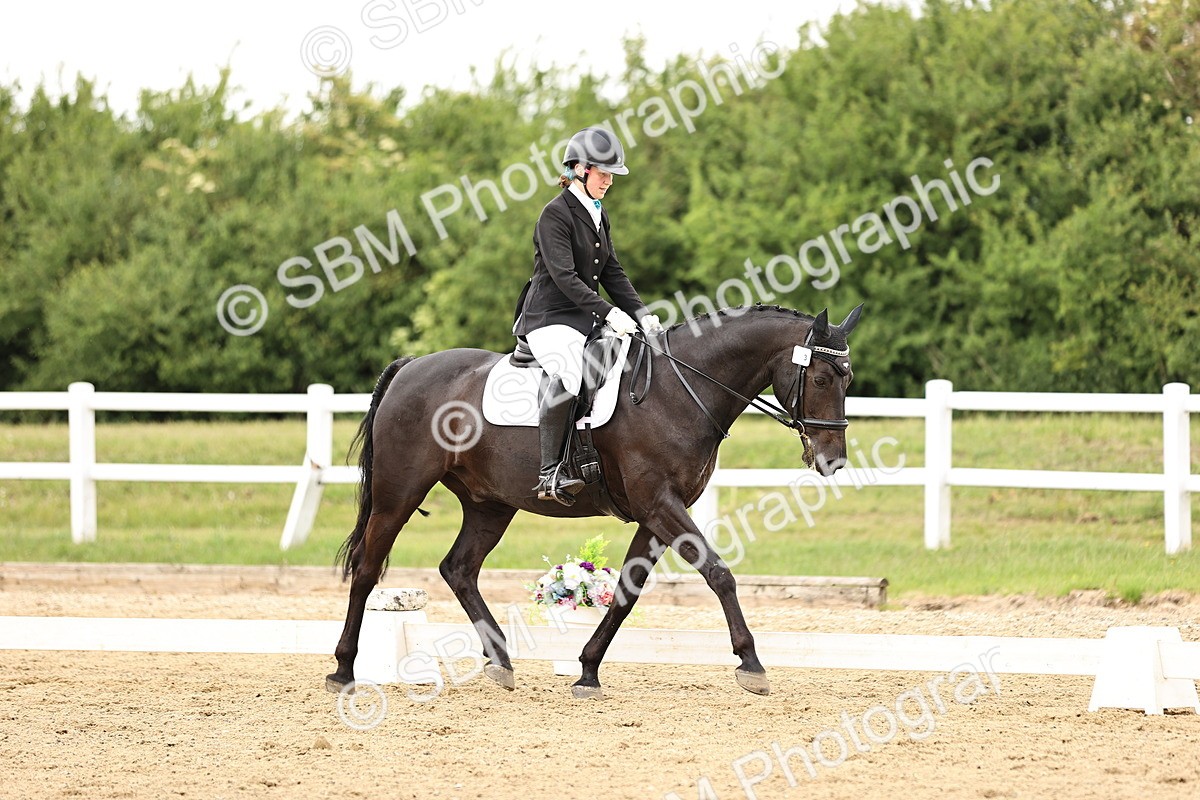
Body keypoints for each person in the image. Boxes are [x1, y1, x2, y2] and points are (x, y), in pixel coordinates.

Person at [512, 126, 664, 506]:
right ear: (580, 169)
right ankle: (550, 473)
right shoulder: (554, 215)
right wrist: (611, 312)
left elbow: (612, 271)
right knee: (569, 370)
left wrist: (641, 314)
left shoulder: (598, 211)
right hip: (549, 317)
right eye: (603, 173)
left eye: (612, 175)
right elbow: (564, 277)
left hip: (585, 318)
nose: (609, 181)